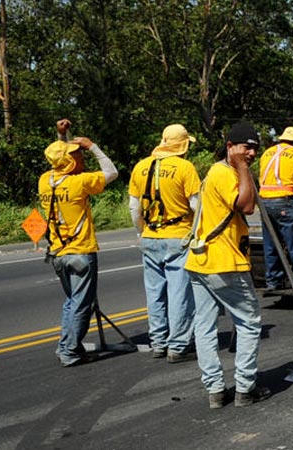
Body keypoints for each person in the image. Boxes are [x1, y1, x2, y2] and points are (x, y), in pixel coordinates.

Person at [185, 122, 271, 409]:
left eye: (255, 148)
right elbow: (246, 206)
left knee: (205, 326)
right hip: (224, 261)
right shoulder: (224, 173)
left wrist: (243, 168)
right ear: (230, 146)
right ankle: (245, 388)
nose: (251, 153)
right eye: (246, 147)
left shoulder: (219, 172)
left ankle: (216, 390)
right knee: (248, 323)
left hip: (202, 260)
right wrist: (244, 169)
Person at [38, 119, 118, 367]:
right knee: (82, 305)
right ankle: (70, 352)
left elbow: (59, 159)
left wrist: (62, 136)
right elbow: (111, 172)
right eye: (77, 157)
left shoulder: (45, 181)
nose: (81, 159)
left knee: (72, 301)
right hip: (81, 252)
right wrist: (93, 147)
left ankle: (66, 345)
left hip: (59, 253)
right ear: (71, 163)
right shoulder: (79, 183)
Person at [128, 124, 202, 363]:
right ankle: (178, 346)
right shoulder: (184, 167)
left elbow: (134, 207)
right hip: (177, 236)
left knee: (154, 293)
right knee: (179, 293)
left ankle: (158, 342)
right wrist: (197, 233)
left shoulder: (141, 166)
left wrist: (141, 232)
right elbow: (195, 205)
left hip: (149, 236)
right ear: (182, 144)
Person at [258, 126, 293, 291]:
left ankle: (273, 281)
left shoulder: (266, 153)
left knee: (270, 244)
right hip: (284, 201)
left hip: (264, 202)